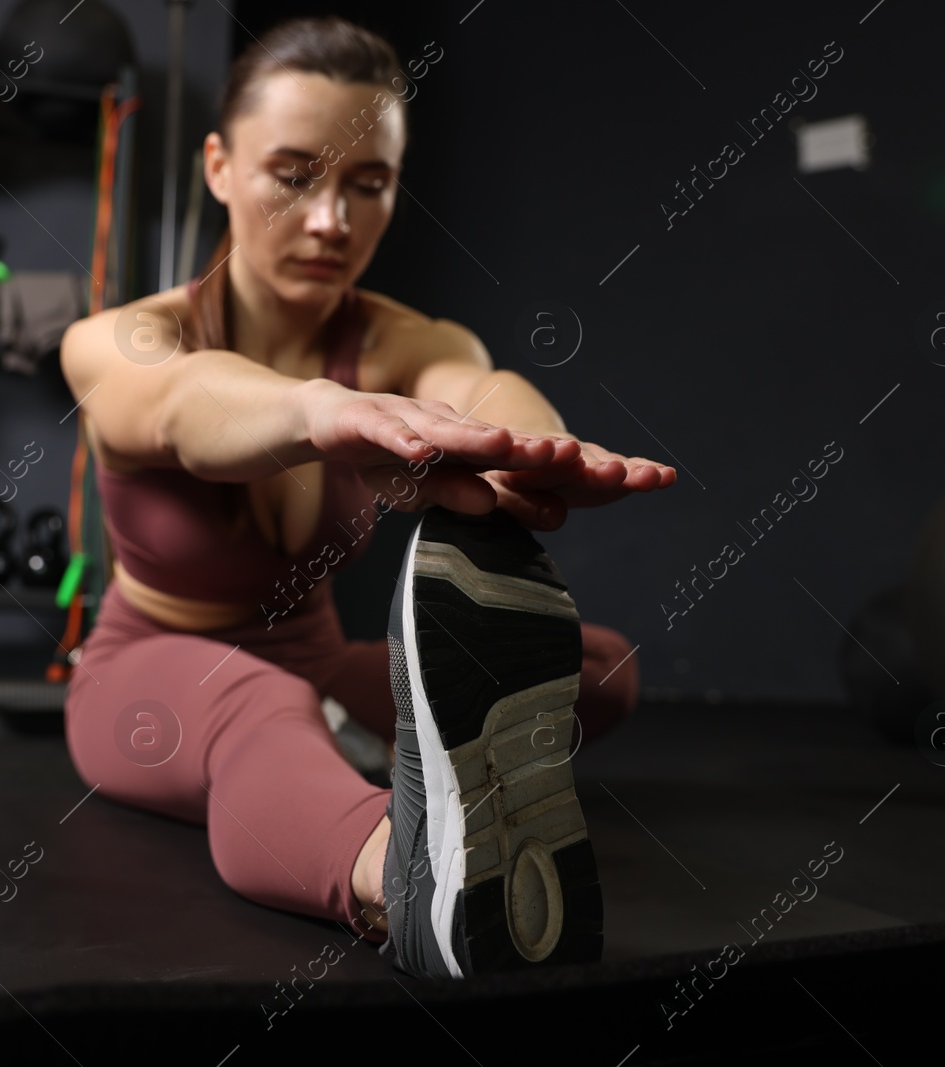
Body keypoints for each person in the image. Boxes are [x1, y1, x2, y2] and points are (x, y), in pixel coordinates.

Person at [58, 16, 676, 978]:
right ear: (219, 166)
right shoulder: (119, 341)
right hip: (150, 679)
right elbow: (181, 406)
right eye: (294, 174)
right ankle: (414, 884)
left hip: (319, 668)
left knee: (599, 667)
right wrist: (318, 411)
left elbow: (475, 387)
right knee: (254, 699)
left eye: (368, 183)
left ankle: (379, 761)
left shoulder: (403, 339)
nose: (331, 222)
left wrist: (527, 453)